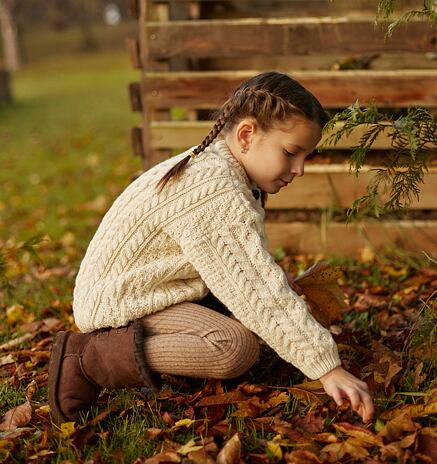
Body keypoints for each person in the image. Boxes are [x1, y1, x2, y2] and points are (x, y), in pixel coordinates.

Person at [48, 71, 374, 425]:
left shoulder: (227, 170)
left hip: (158, 290)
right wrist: (328, 369)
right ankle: (87, 359)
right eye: (292, 153)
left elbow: (247, 267)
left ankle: (172, 363)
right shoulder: (215, 191)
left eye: (305, 157)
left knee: (250, 325)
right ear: (247, 135)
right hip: (121, 301)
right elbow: (256, 293)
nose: (299, 169)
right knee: (233, 348)